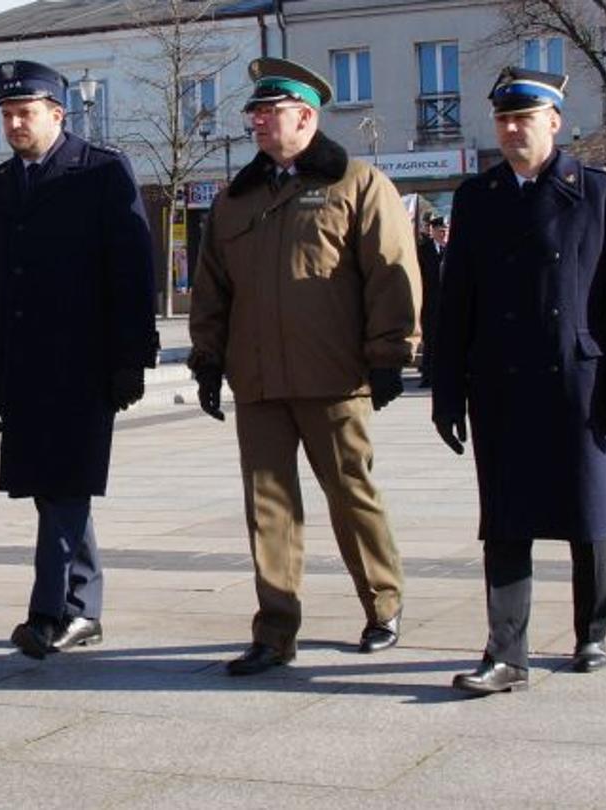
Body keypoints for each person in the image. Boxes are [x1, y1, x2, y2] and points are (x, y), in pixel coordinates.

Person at [187, 57, 420, 676]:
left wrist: (393, 353)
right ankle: (276, 629)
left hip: (334, 376)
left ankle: (383, 605)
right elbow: (213, 289)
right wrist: (208, 362)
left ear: (307, 117)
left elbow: (390, 273)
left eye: (270, 112)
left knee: (351, 493)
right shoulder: (236, 200)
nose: (258, 123)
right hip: (257, 377)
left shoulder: (358, 183)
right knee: (268, 507)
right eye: (254, 114)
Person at [431, 67, 606, 695]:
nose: (512, 128)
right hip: (501, 380)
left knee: (588, 514)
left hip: (578, 380)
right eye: (502, 119)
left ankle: (592, 630)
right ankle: (507, 652)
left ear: (555, 121)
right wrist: (448, 392)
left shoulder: (601, 192)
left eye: (524, 117)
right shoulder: (479, 197)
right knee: (504, 522)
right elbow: (456, 304)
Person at [0, 59, 158, 659]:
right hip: (21, 366)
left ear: (57, 113)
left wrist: (132, 356)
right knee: (53, 491)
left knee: (67, 484)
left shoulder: (100, 172)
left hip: (82, 362)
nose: (15, 123)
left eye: (26, 112)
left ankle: (52, 611)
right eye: (6, 114)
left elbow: (131, 269)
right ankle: (83, 604)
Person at [415, 213, 447, 386]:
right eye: (440, 231)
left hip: (450, 305)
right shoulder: (423, 251)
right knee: (431, 341)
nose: (444, 234)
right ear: (433, 231)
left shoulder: (454, 249)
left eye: (446, 231)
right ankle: (428, 377)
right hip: (430, 304)